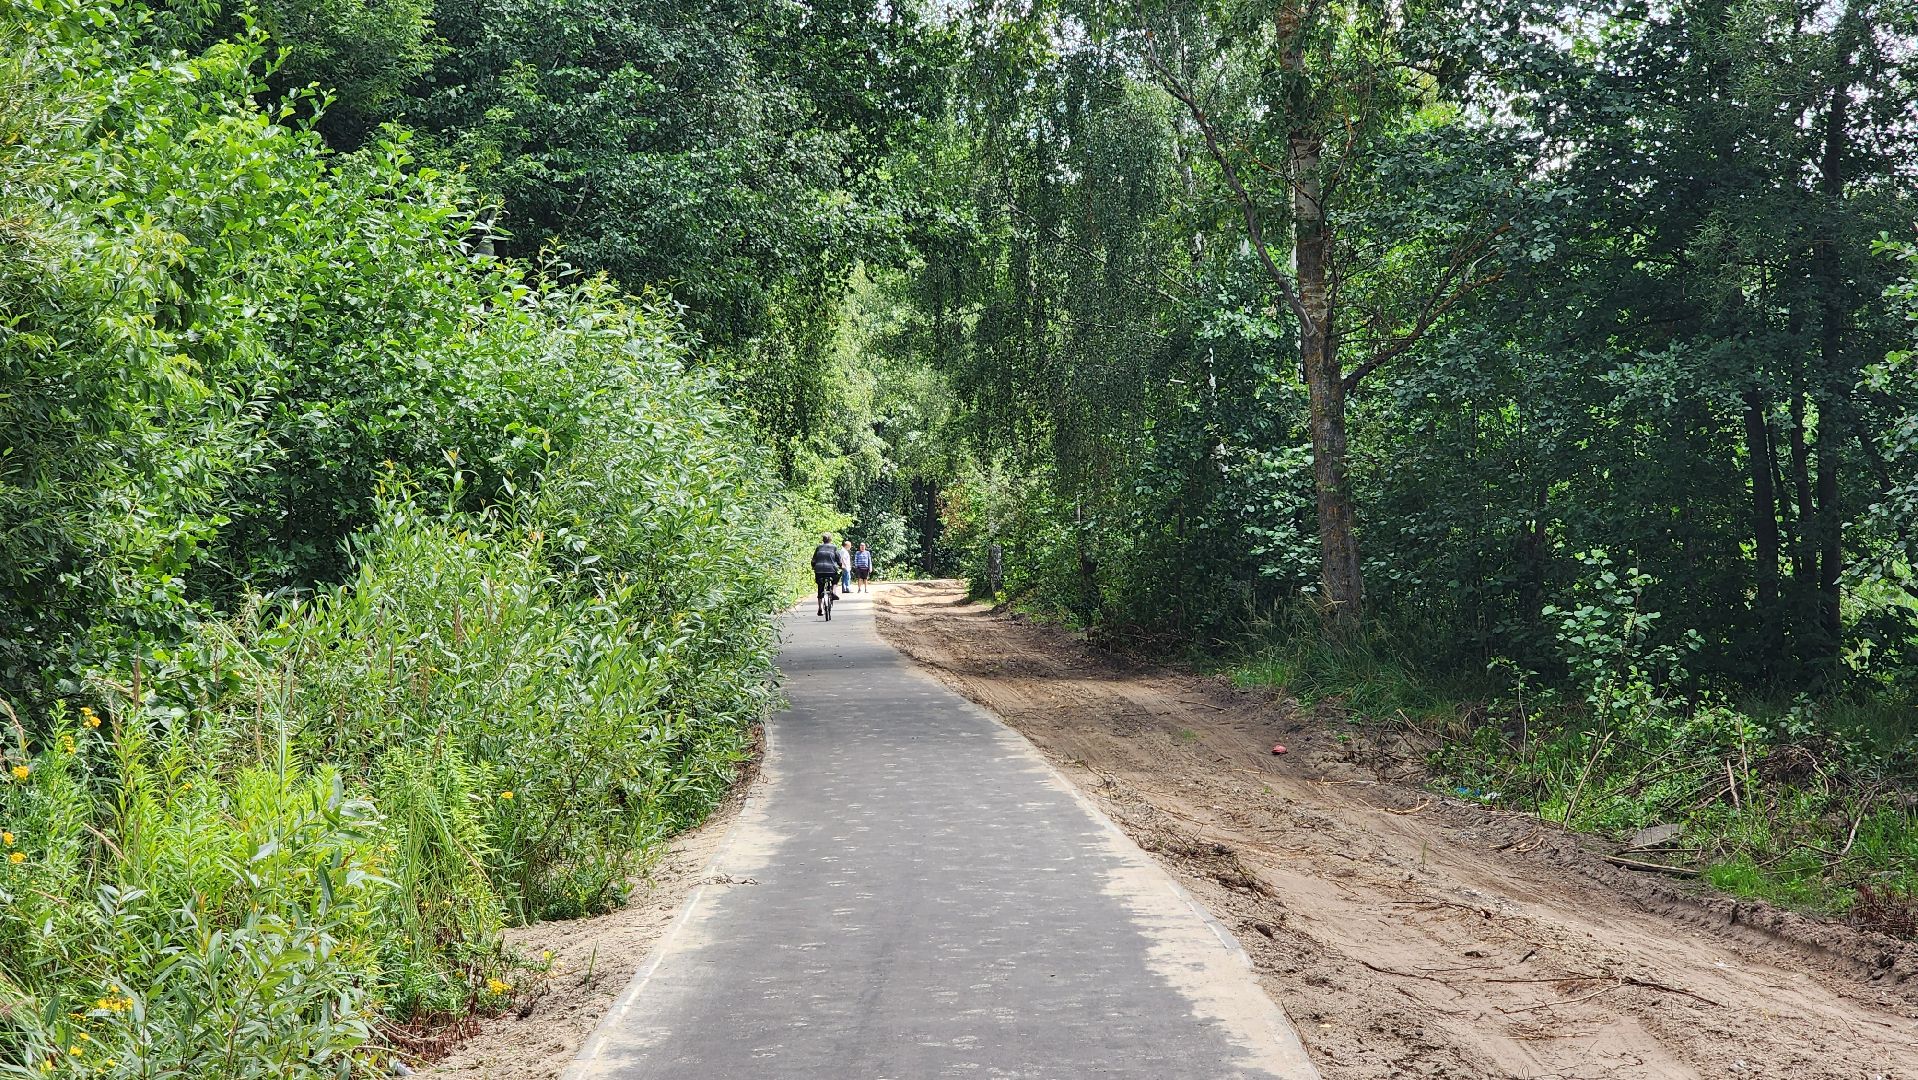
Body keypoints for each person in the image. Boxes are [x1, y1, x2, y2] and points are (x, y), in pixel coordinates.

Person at [811, 534, 844, 616]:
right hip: (831, 570)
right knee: (836, 577)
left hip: (819, 570)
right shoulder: (834, 547)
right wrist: (841, 566)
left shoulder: (819, 547)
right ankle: (833, 590)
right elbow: (839, 560)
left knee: (820, 588)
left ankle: (820, 609)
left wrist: (814, 567)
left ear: (823, 540)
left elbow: (813, 560)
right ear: (830, 540)